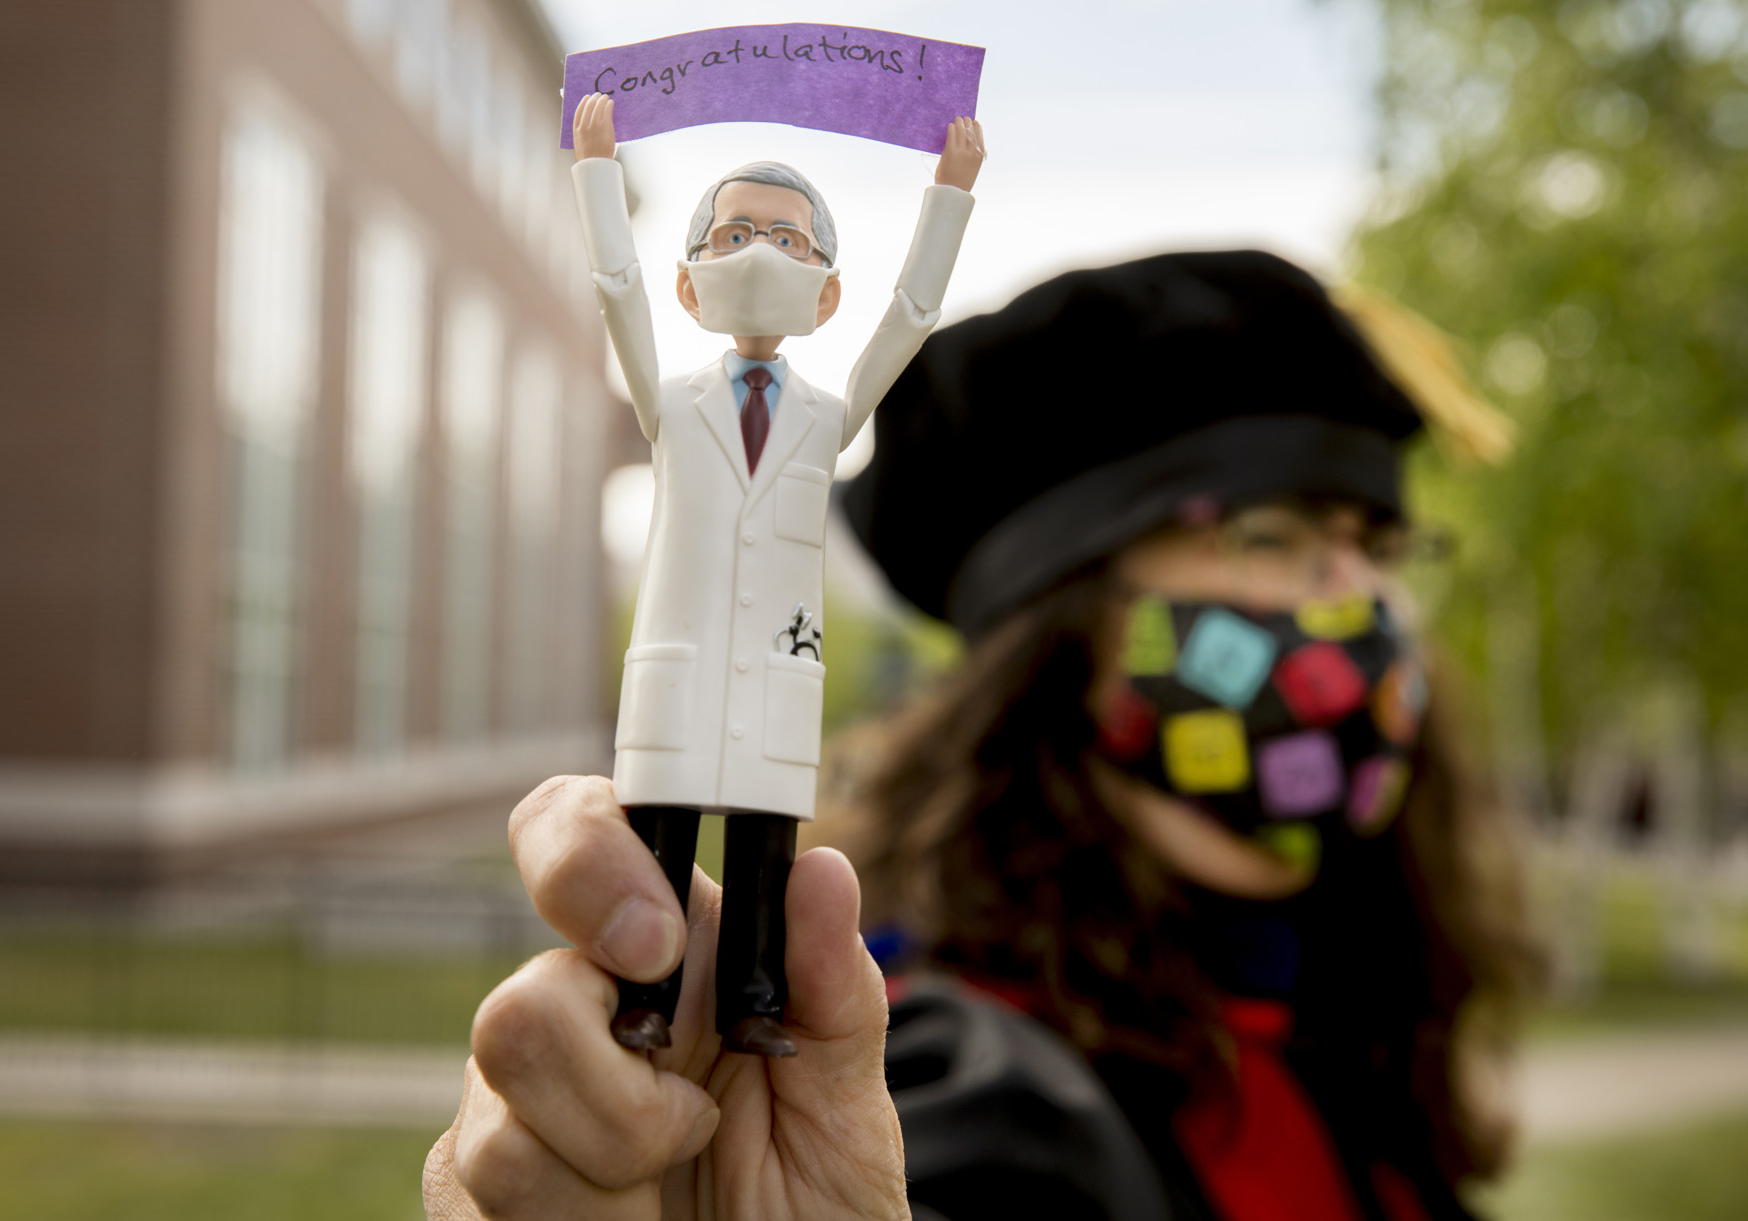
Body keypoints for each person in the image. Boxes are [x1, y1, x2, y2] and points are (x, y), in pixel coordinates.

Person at [423, 252, 1536, 1221]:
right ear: (1062, 640)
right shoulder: (921, 1079)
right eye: (1268, 535)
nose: (1355, 599)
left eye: (1375, 545)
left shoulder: (1350, 1026)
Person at [566, 94, 984, 1058]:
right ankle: (648, 999)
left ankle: (754, 997)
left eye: (789, 241)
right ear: (691, 283)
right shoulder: (669, 404)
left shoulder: (824, 417)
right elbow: (615, 288)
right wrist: (596, 169)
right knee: (658, 854)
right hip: (679, 665)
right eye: (737, 234)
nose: (760, 253)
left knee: (763, 853)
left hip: (776, 665)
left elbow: (910, 320)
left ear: (825, 291)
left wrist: (948, 195)